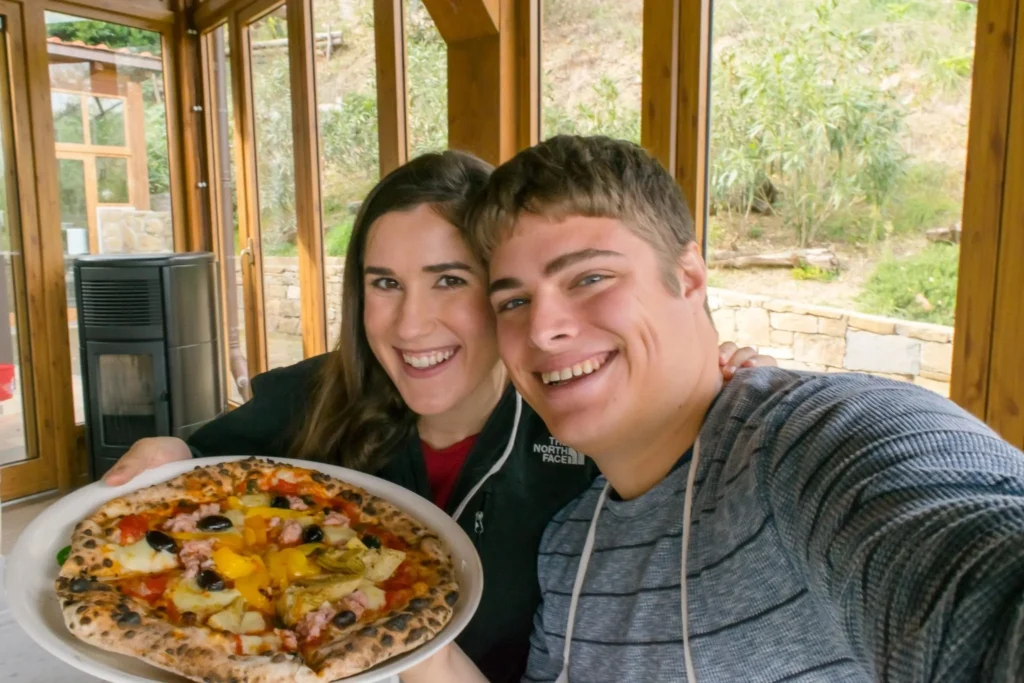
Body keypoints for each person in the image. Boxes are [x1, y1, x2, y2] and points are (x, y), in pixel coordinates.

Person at [101, 150, 774, 682]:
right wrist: (166, 445)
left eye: (450, 279)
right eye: (384, 283)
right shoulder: (325, 390)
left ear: (502, 291)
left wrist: (721, 370)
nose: (411, 323)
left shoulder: (584, 425)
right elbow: (197, 472)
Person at [403, 135, 1024, 683]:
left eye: (589, 278)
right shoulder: (569, 545)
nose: (544, 330)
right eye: (513, 302)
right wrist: (411, 633)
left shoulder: (805, 444)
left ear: (691, 277)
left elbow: (978, 568)